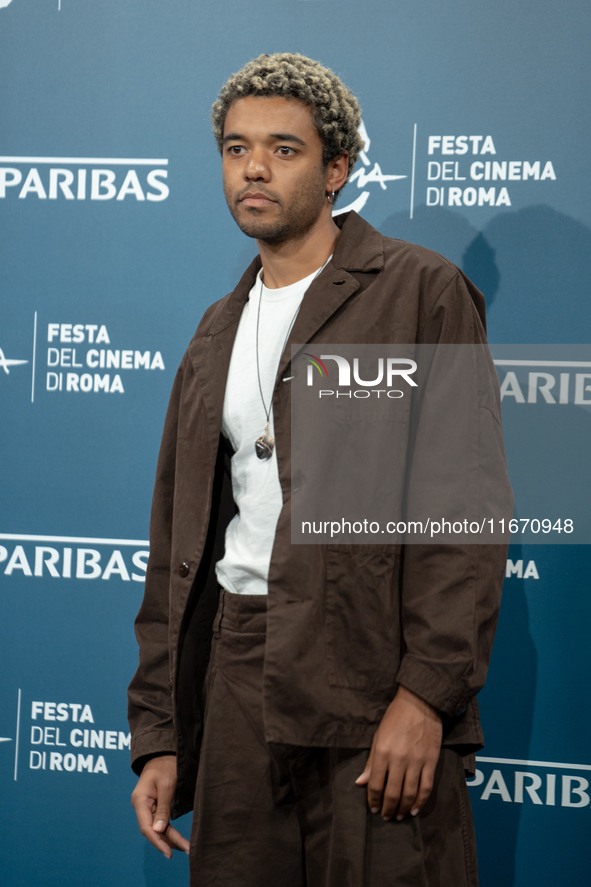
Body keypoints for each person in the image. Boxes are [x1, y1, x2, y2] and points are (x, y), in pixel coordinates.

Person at [128, 52, 510, 886]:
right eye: (235, 149)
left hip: (370, 670)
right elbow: (176, 541)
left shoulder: (418, 291)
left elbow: (464, 511)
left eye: (283, 149)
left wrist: (425, 696)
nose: (253, 168)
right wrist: (161, 732)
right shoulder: (213, 331)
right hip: (237, 670)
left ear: (337, 167)